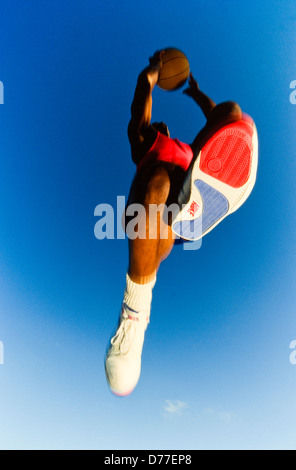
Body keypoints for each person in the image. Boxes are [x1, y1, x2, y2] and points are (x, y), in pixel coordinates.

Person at [104, 51, 258, 396]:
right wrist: (155, 70)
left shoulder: (190, 152)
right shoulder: (143, 139)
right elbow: (144, 86)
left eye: (164, 125)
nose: (161, 124)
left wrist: (199, 94)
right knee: (158, 178)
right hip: (150, 211)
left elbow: (220, 120)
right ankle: (135, 312)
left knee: (231, 112)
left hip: (186, 197)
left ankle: (202, 202)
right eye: (156, 124)